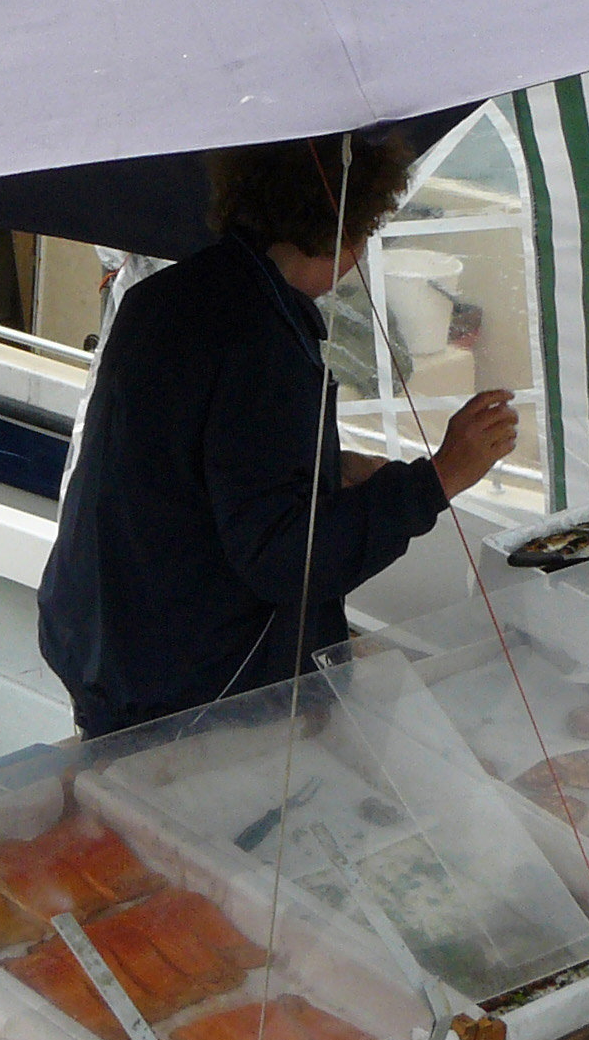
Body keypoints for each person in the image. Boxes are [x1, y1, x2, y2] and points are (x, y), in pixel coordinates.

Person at [38, 134, 518, 740]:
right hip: (186, 695)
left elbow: (184, 464)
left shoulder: (161, 298)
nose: (363, 250)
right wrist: (439, 478)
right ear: (339, 229)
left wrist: (325, 468)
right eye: (365, 230)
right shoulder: (260, 344)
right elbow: (286, 558)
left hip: (100, 644)